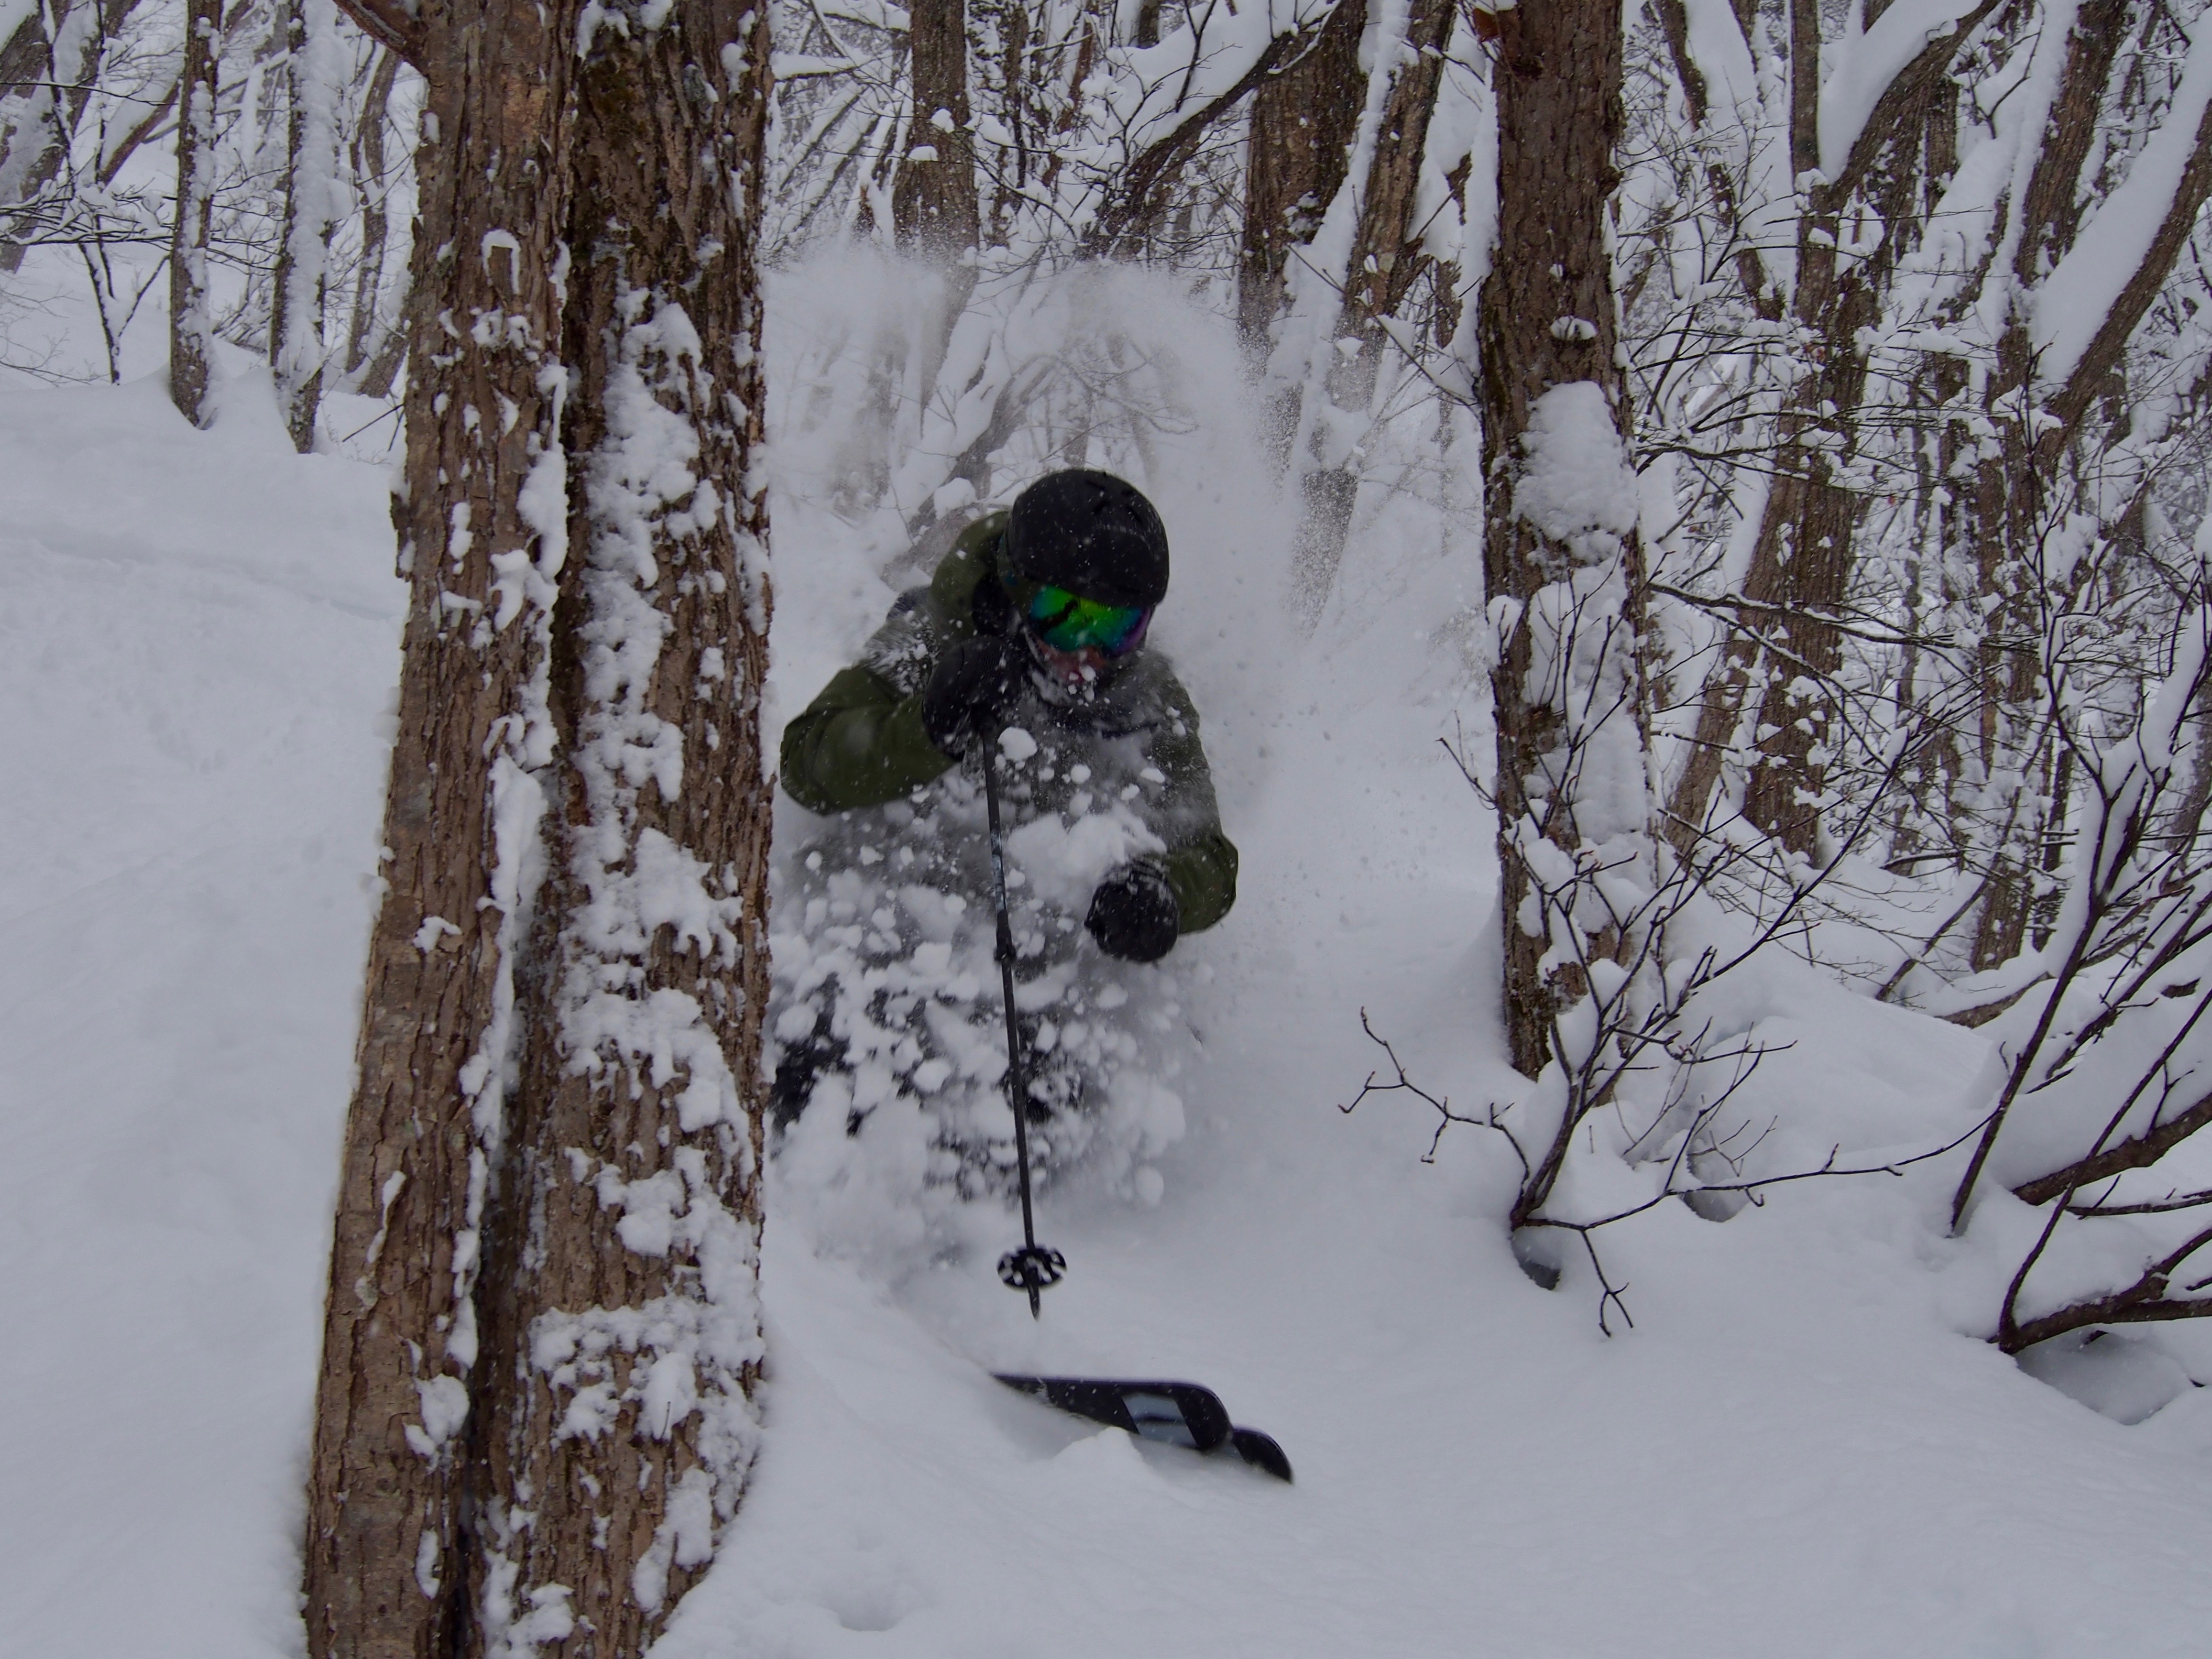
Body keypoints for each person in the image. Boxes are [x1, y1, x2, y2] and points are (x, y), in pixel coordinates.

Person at [771, 470, 1237, 1186]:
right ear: (1018, 587)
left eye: (1116, 627)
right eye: (1064, 614)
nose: (1086, 651)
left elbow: (1207, 855)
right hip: (895, 930)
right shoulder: (933, 638)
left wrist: (1164, 894)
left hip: (1028, 978)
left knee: (1033, 1143)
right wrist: (927, 725)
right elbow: (808, 763)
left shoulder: (1151, 702)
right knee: (823, 1083)